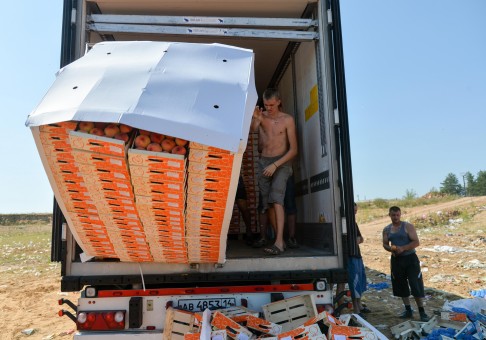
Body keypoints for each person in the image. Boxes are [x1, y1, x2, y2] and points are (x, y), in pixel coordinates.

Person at [250, 88, 298, 255]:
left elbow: (293, 150)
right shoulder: (261, 116)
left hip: (282, 163)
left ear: (278, 101)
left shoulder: (287, 120)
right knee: (267, 202)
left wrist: (275, 165)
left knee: (277, 199)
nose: (268, 108)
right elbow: (252, 130)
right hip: (264, 161)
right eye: (265, 105)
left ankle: (278, 242)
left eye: (271, 105)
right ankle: (281, 241)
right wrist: (256, 119)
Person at [382, 206, 430, 322]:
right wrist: (392, 249)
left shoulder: (408, 226)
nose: (396, 217)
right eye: (393, 215)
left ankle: (422, 311)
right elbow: (384, 244)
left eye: (398, 215)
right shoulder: (387, 229)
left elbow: (416, 242)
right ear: (389, 215)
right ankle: (408, 310)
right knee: (400, 285)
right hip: (397, 260)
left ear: (400, 214)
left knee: (415, 284)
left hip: (410, 259)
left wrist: (403, 248)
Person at [347, 203, 369, 316]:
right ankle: (356, 309)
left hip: (357, 255)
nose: (355, 213)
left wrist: (357, 240)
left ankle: (359, 305)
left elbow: (361, 239)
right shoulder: (346, 224)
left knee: (361, 280)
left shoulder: (353, 223)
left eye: (356, 210)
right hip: (351, 256)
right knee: (354, 282)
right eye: (354, 210)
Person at [235, 175, 254, 245]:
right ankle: (223, 237)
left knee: (243, 208)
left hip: (237, 180)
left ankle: (249, 232)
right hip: (222, 178)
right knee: (224, 210)